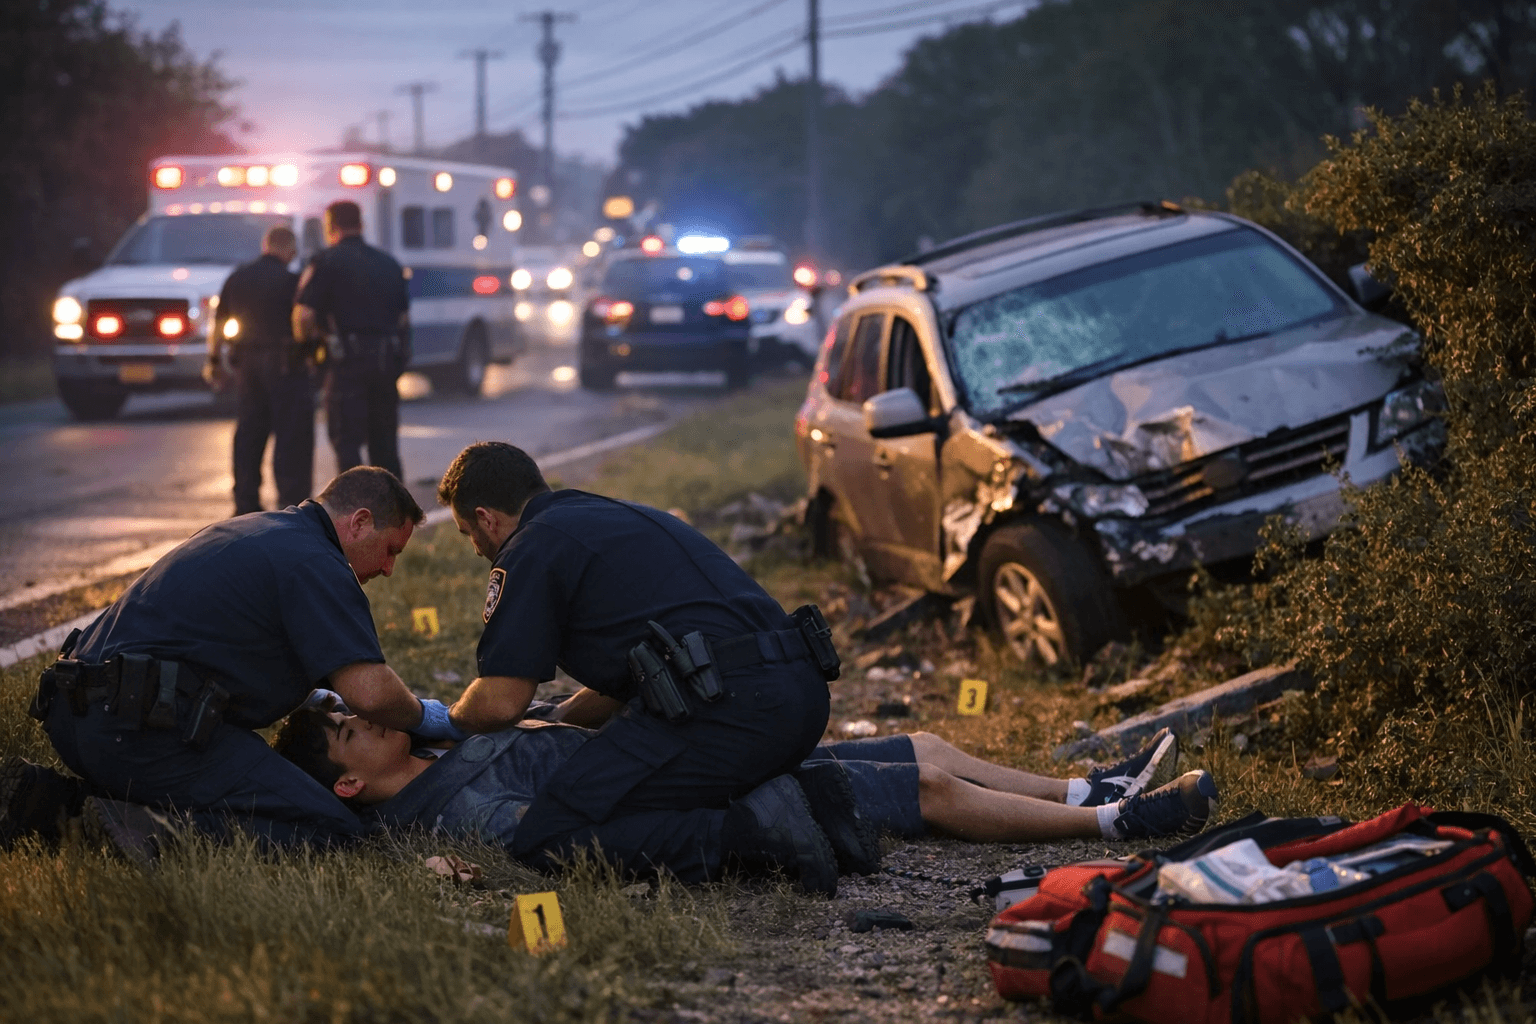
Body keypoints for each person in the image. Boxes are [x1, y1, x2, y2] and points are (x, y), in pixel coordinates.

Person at [430, 440, 869, 897]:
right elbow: (642, 673)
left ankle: (753, 834)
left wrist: (445, 720)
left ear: (485, 517)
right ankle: (818, 806)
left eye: (467, 534)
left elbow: (500, 701)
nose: (477, 548)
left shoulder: (528, 548)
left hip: (732, 711)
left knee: (549, 832)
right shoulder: (615, 515)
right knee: (644, 781)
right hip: (801, 696)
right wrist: (557, 717)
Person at [14, 467, 467, 854]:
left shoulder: (257, 529)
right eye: (391, 551)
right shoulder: (318, 563)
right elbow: (370, 692)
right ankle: (92, 820)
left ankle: (55, 799)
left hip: (76, 713)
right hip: (133, 734)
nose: (388, 569)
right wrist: (427, 718)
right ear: (360, 522)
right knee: (332, 829)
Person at [273, 703, 1217, 852]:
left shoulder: (434, 752)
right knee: (923, 795)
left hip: (689, 753)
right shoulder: (451, 816)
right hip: (697, 789)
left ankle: (1087, 788)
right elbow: (568, 828)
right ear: (349, 785)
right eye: (353, 733)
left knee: (922, 745)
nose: (370, 720)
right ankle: (1117, 827)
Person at [293, 200, 411, 482]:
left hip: (347, 367)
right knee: (385, 447)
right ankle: (393, 515)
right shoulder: (389, 263)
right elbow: (404, 319)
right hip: (385, 363)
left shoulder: (326, 262)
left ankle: (357, 514)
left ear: (330, 226)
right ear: (361, 224)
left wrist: (308, 351)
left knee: (348, 446)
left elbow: (303, 315)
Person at [207, 223, 314, 515]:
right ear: (290, 249)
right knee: (292, 437)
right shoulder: (293, 281)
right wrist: (313, 356)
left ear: (265, 245)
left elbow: (217, 323)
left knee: (249, 435)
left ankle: (245, 505)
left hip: (247, 368)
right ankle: (292, 507)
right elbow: (305, 319)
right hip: (286, 365)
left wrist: (214, 362)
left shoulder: (237, 278)